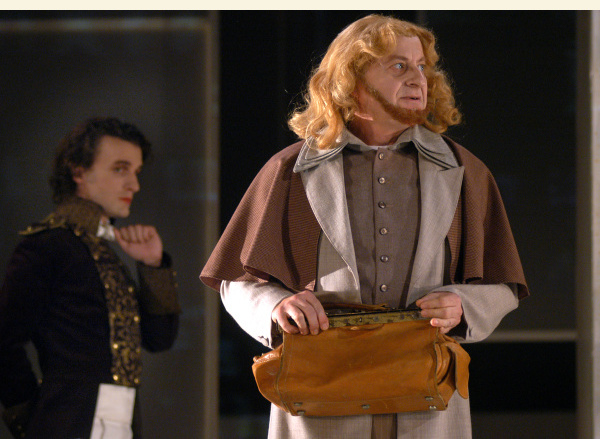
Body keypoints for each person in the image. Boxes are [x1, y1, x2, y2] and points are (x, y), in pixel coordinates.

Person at [201, 14, 528, 439]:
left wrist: (464, 304)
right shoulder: (289, 172)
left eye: (422, 66)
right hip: (322, 397)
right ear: (351, 79)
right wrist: (276, 306)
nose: (418, 78)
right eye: (399, 66)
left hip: (426, 401)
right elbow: (237, 279)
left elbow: (503, 283)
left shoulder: (464, 171)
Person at [0, 117, 181, 439]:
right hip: (67, 422)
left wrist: (153, 265)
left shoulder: (103, 248)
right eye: (120, 169)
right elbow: (3, 340)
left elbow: (159, 339)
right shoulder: (47, 245)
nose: (134, 185)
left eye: (136, 171)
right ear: (79, 171)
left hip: (123, 421)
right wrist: (34, 417)